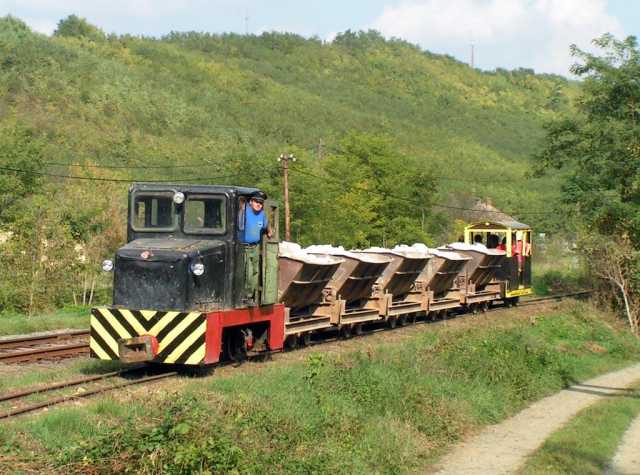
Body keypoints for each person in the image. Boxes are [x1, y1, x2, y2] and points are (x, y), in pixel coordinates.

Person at [240, 191, 272, 306]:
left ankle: (250, 295)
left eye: (261, 203)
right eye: (257, 202)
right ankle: (246, 296)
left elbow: (265, 224)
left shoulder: (262, 214)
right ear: (251, 202)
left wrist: (269, 230)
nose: (259, 204)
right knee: (247, 272)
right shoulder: (244, 212)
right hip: (244, 247)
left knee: (255, 272)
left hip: (255, 247)